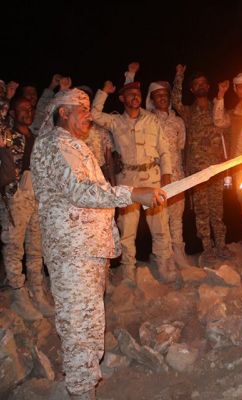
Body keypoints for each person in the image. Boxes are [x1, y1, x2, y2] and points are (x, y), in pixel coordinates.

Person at [31, 88, 166, 399]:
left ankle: (89, 379)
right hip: (72, 252)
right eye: (81, 108)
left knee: (92, 322)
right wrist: (132, 193)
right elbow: (81, 192)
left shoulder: (77, 146)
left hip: (88, 250)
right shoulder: (54, 144)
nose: (88, 113)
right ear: (62, 113)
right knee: (78, 329)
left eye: (89, 107)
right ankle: (80, 390)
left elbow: (94, 193)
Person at [91, 73, 177, 283]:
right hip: (128, 180)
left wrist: (167, 173)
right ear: (122, 99)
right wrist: (103, 92)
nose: (135, 97)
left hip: (152, 178)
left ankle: (163, 263)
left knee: (160, 226)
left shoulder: (152, 119)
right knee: (127, 229)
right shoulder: (115, 121)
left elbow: (164, 149)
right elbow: (93, 114)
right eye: (130, 95)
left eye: (137, 94)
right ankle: (128, 268)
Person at [0, 95, 54, 320]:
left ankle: (37, 291)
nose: (27, 112)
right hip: (15, 198)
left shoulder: (37, 138)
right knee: (14, 247)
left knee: (36, 248)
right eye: (22, 109)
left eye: (30, 108)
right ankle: (19, 294)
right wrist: (4, 102)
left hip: (35, 197)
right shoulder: (6, 135)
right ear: (13, 113)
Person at [172, 65, 234, 265]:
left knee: (218, 210)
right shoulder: (189, 113)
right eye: (196, 84)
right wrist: (179, 76)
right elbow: (175, 101)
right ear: (192, 89)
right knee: (201, 211)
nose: (200, 86)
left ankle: (222, 246)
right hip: (197, 171)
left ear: (208, 86)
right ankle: (207, 249)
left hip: (216, 169)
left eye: (202, 83)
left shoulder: (218, 108)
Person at [146, 79, 193, 268]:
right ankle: (165, 258)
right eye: (158, 96)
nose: (162, 98)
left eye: (165, 95)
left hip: (177, 175)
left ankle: (179, 253)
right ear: (152, 99)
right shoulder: (148, 120)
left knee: (177, 216)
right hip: (156, 177)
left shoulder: (178, 121)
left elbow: (181, 145)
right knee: (161, 219)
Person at [213, 72, 242, 186]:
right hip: (240, 166)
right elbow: (219, 121)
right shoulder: (234, 114)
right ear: (236, 90)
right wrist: (221, 94)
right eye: (240, 87)